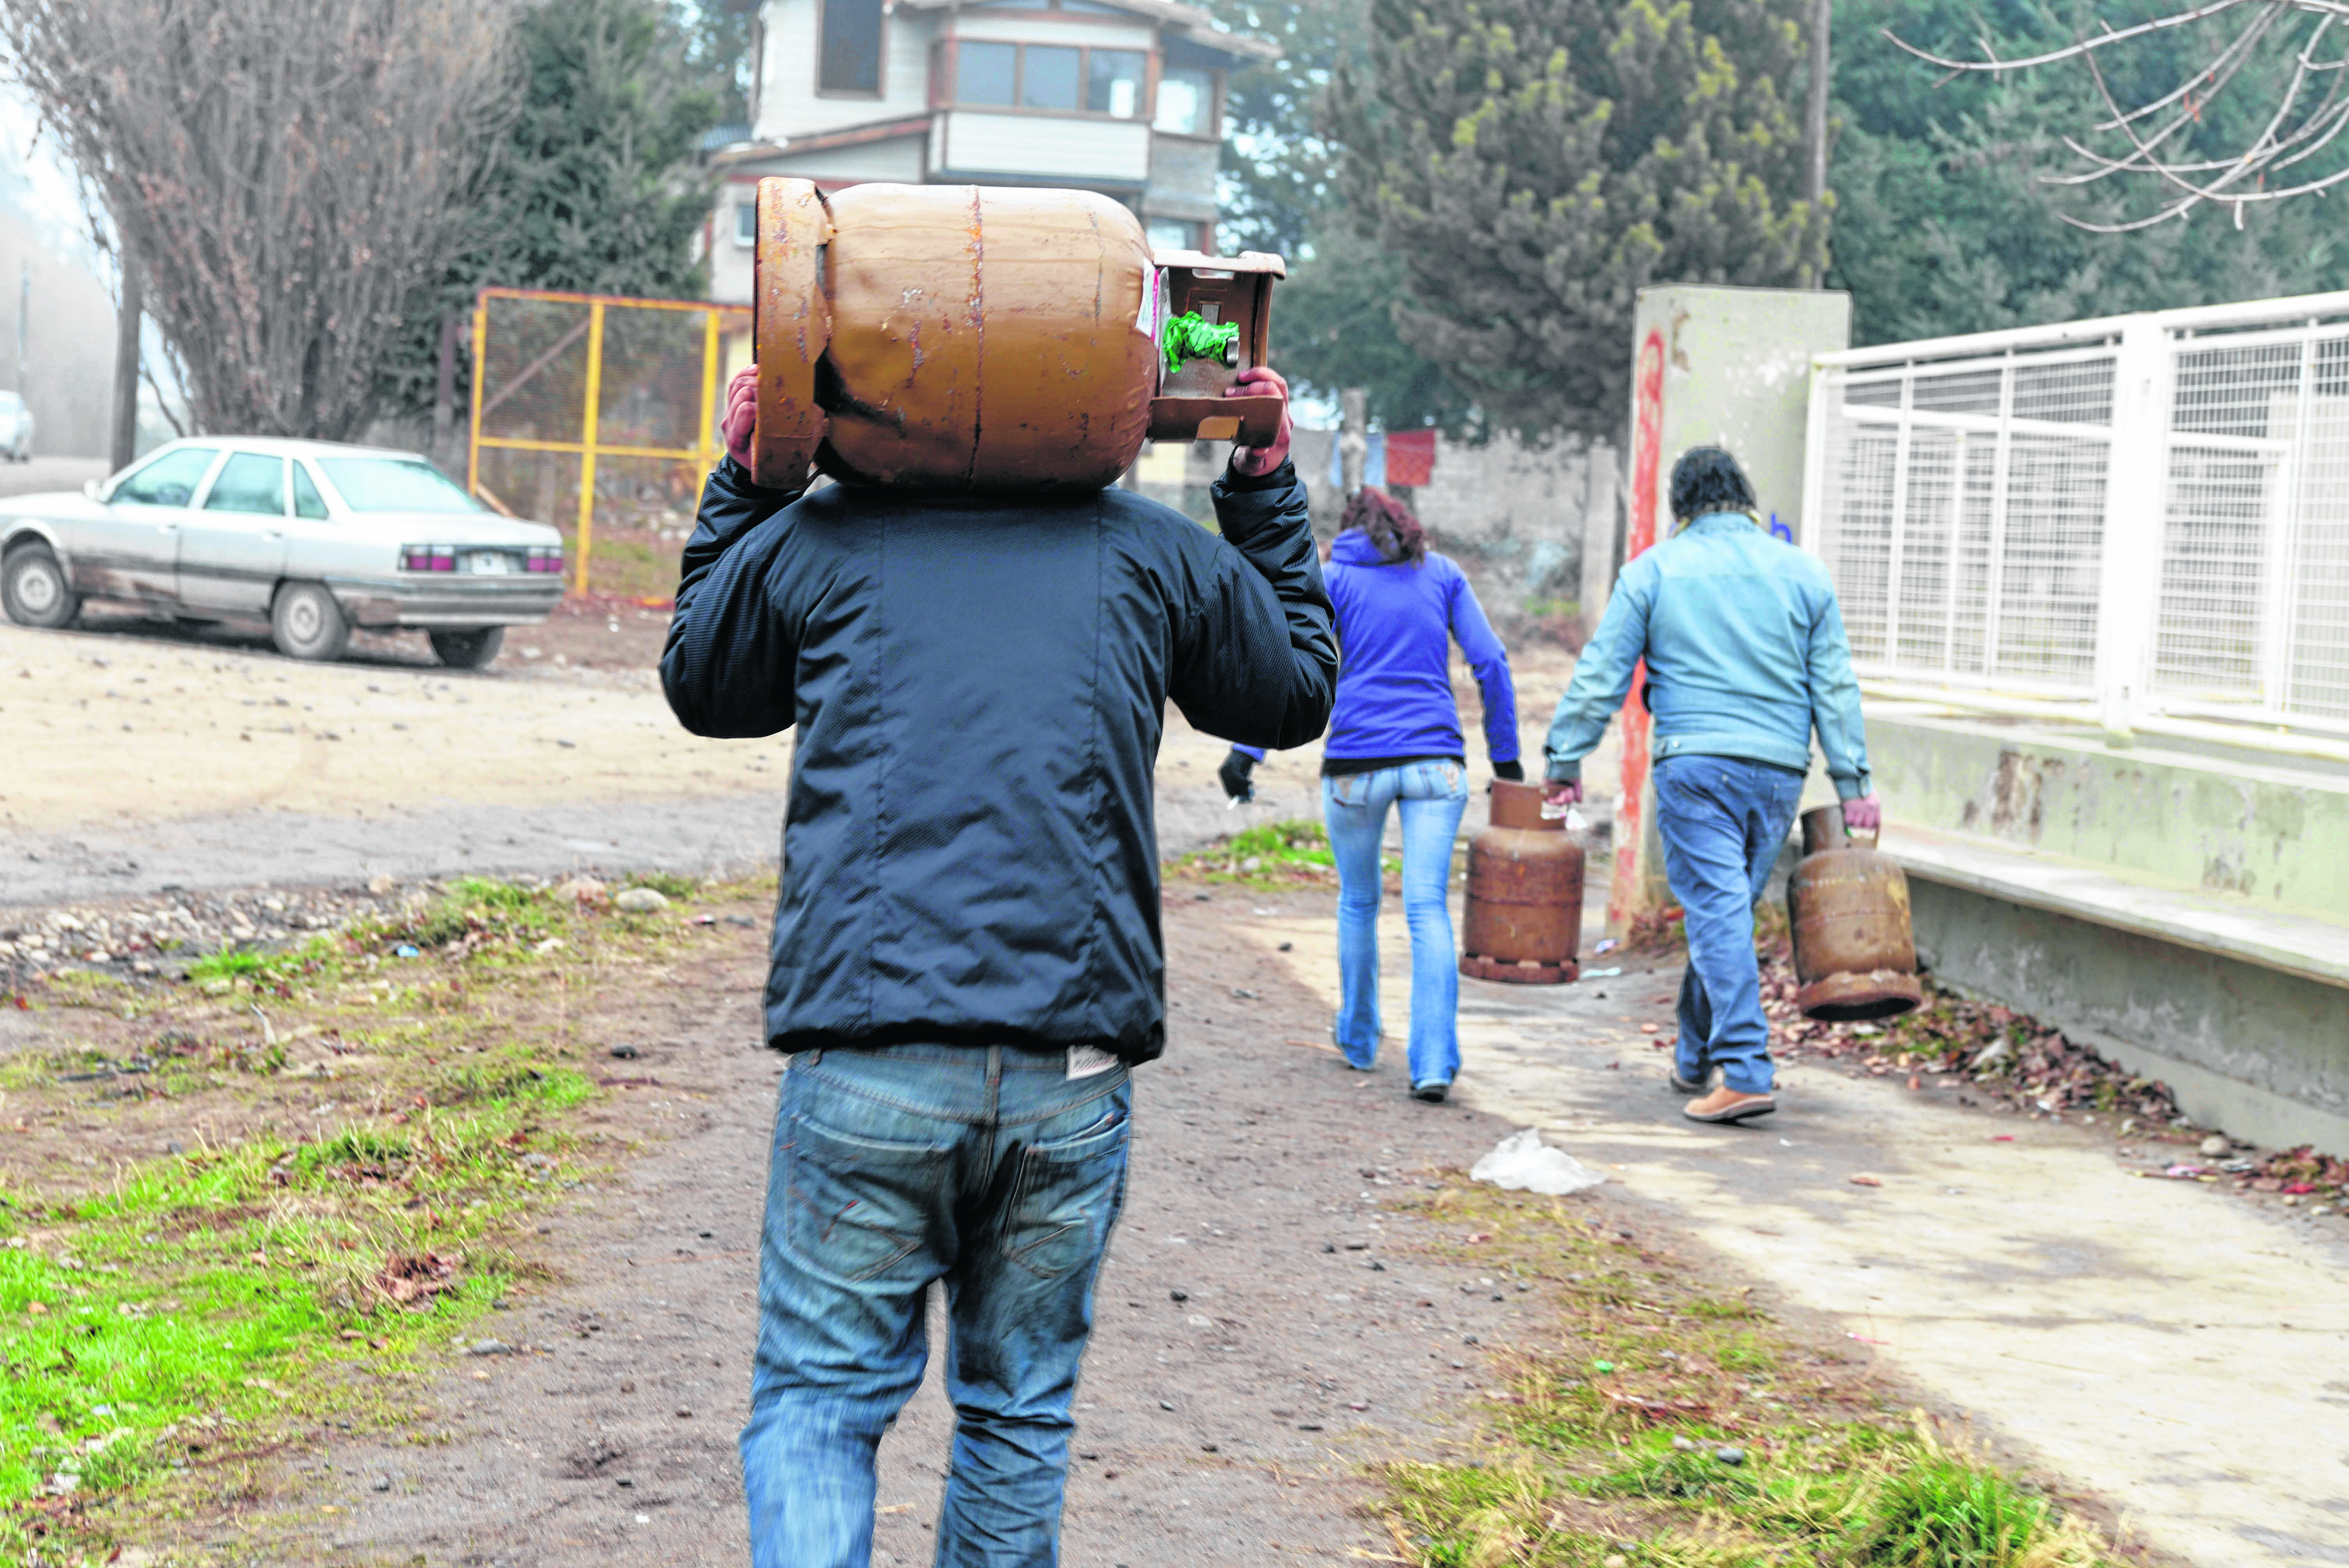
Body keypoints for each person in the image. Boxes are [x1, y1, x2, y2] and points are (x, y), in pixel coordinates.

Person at [664, 365, 1335, 1567]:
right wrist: (1265, 480)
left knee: (819, 1405)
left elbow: (703, 684)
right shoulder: (1150, 554)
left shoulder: (822, 540)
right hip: (1070, 1070)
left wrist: (747, 481)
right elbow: (1293, 690)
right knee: (1017, 1415)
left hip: (868, 1057)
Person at [1539, 445, 1879, 1126]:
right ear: (1747, 502)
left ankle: (1747, 1068)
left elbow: (1603, 672)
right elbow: (1835, 687)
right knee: (1723, 909)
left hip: (1695, 769)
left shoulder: (1654, 571)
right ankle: (1695, 1056)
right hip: (1780, 771)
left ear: (1680, 509)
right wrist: (1854, 784)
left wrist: (1565, 760)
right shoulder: (1804, 573)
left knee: (1718, 912)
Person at [1219, 486, 1519, 1103]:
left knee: (1359, 903)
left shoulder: (1333, 581)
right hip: (1437, 766)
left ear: (1349, 528)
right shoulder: (1442, 574)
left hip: (1355, 766)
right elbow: (1491, 661)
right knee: (1426, 909)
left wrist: (1246, 754)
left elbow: (1286, 662)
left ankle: (1358, 1039)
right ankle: (1432, 1061)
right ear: (1409, 526)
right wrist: (1508, 760)